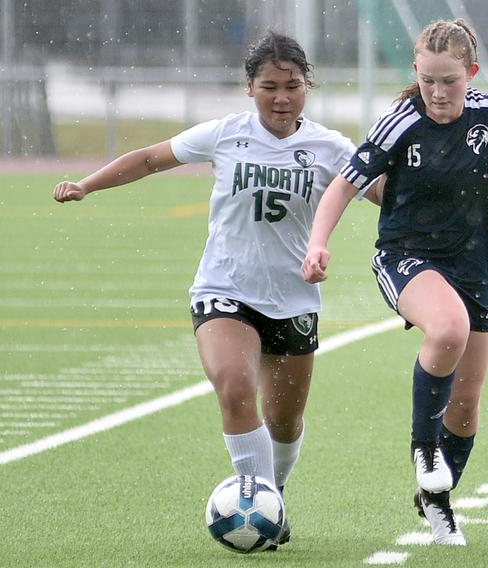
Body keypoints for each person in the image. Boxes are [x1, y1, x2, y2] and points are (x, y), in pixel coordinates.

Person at [54, 31, 378, 549]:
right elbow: (147, 158)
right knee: (233, 383)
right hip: (224, 288)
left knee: (286, 421)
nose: (281, 97)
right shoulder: (225, 134)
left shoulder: (330, 147)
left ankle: (273, 494)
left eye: (292, 86)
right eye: (269, 86)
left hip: (294, 299)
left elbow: (384, 192)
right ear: (249, 88)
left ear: (307, 87)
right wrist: (87, 184)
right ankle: (260, 505)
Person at [302, 19, 488, 546]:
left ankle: (436, 501)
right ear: (416, 74)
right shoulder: (399, 123)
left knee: (466, 407)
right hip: (405, 257)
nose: (439, 93)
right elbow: (342, 188)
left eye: (450, 81)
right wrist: (317, 242)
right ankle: (424, 450)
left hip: (473, 269)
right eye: (428, 81)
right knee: (447, 328)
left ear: (471, 72)